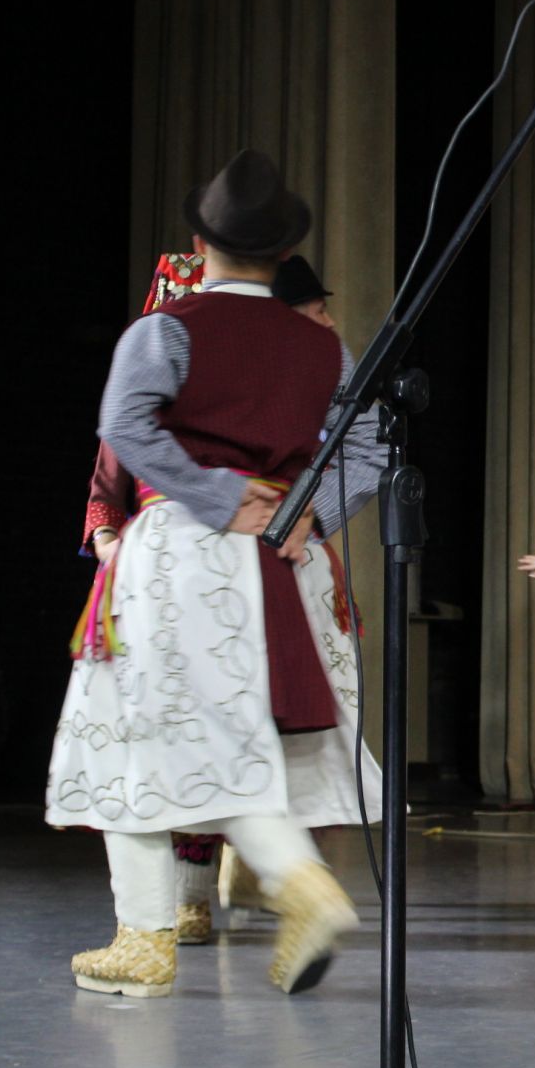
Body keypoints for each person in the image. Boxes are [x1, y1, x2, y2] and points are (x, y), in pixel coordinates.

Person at [47, 150, 386, 998]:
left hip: (179, 553)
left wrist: (207, 492)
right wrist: (307, 513)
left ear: (201, 242)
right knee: (227, 732)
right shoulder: (322, 346)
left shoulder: (167, 329)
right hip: (275, 558)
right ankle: (283, 882)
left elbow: (122, 423)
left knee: (137, 733)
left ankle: (152, 935)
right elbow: (373, 448)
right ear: (282, 254)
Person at [73, 252, 352, 945]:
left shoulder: (292, 371)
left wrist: (308, 516)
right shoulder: (169, 379)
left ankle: (217, 904)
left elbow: (344, 452)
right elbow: (111, 477)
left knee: (176, 736)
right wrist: (111, 543)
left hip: (244, 566)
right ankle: (224, 893)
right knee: (197, 733)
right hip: (183, 566)